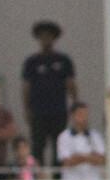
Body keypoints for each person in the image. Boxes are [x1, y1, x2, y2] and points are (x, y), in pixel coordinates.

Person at [22, 20, 76, 168]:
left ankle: (58, 179)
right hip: (38, 111)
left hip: (58, 110)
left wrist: (75, 105)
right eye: (43, 36)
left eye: (49, 36)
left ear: (54, 38)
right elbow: (26, 87)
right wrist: (27, 109)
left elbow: (70, 84)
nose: (46, 40)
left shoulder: (63, 61)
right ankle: (37, 178)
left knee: (59, 145)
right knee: (38, 145)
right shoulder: (32, 62)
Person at [55, 101, 106, 180]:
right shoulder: (64, 136)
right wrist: (90, 156)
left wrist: (78, 157)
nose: (84, 118)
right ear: (72, 116)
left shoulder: (95, 136)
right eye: (80, 115)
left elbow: (102, 160)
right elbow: (67, 162)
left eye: (86, 115)